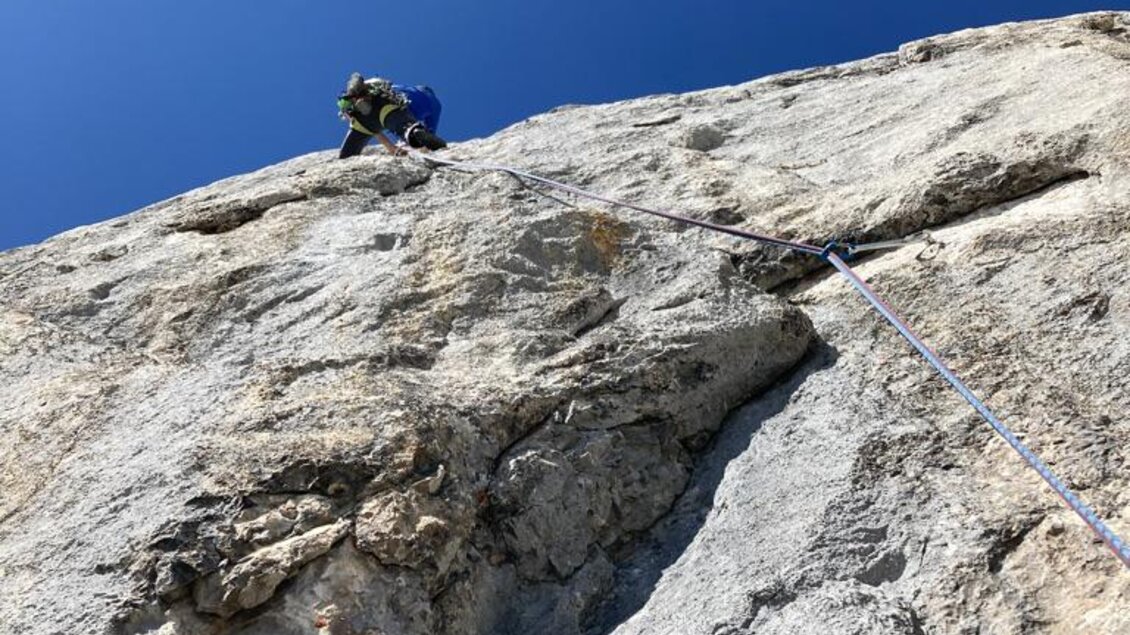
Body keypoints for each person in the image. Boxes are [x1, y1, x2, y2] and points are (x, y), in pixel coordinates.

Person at [337, 72, 447, 159]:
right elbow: (429, 137)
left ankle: (353, 97)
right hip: (392, 112)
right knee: (406, 129)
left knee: (363, 130)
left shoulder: (403, 87)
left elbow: (382, 85)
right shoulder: (435, 104)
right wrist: (393, 148)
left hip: (377, 104)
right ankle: (412, 133)